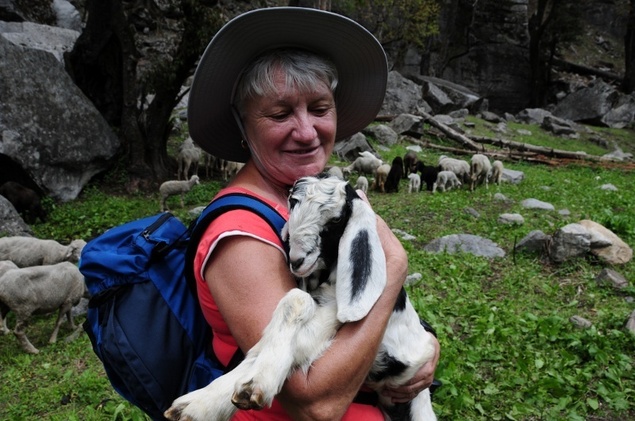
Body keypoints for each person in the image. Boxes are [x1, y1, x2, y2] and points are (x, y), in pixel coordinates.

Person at [187, 7, 440, 420]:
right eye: (280, 113)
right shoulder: (241, 233)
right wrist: (394, 266)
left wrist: (424, 346)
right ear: (241, 123)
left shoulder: (312, 202)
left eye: (320, 108)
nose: (306, 132)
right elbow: (315, 403)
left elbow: (353, 307)